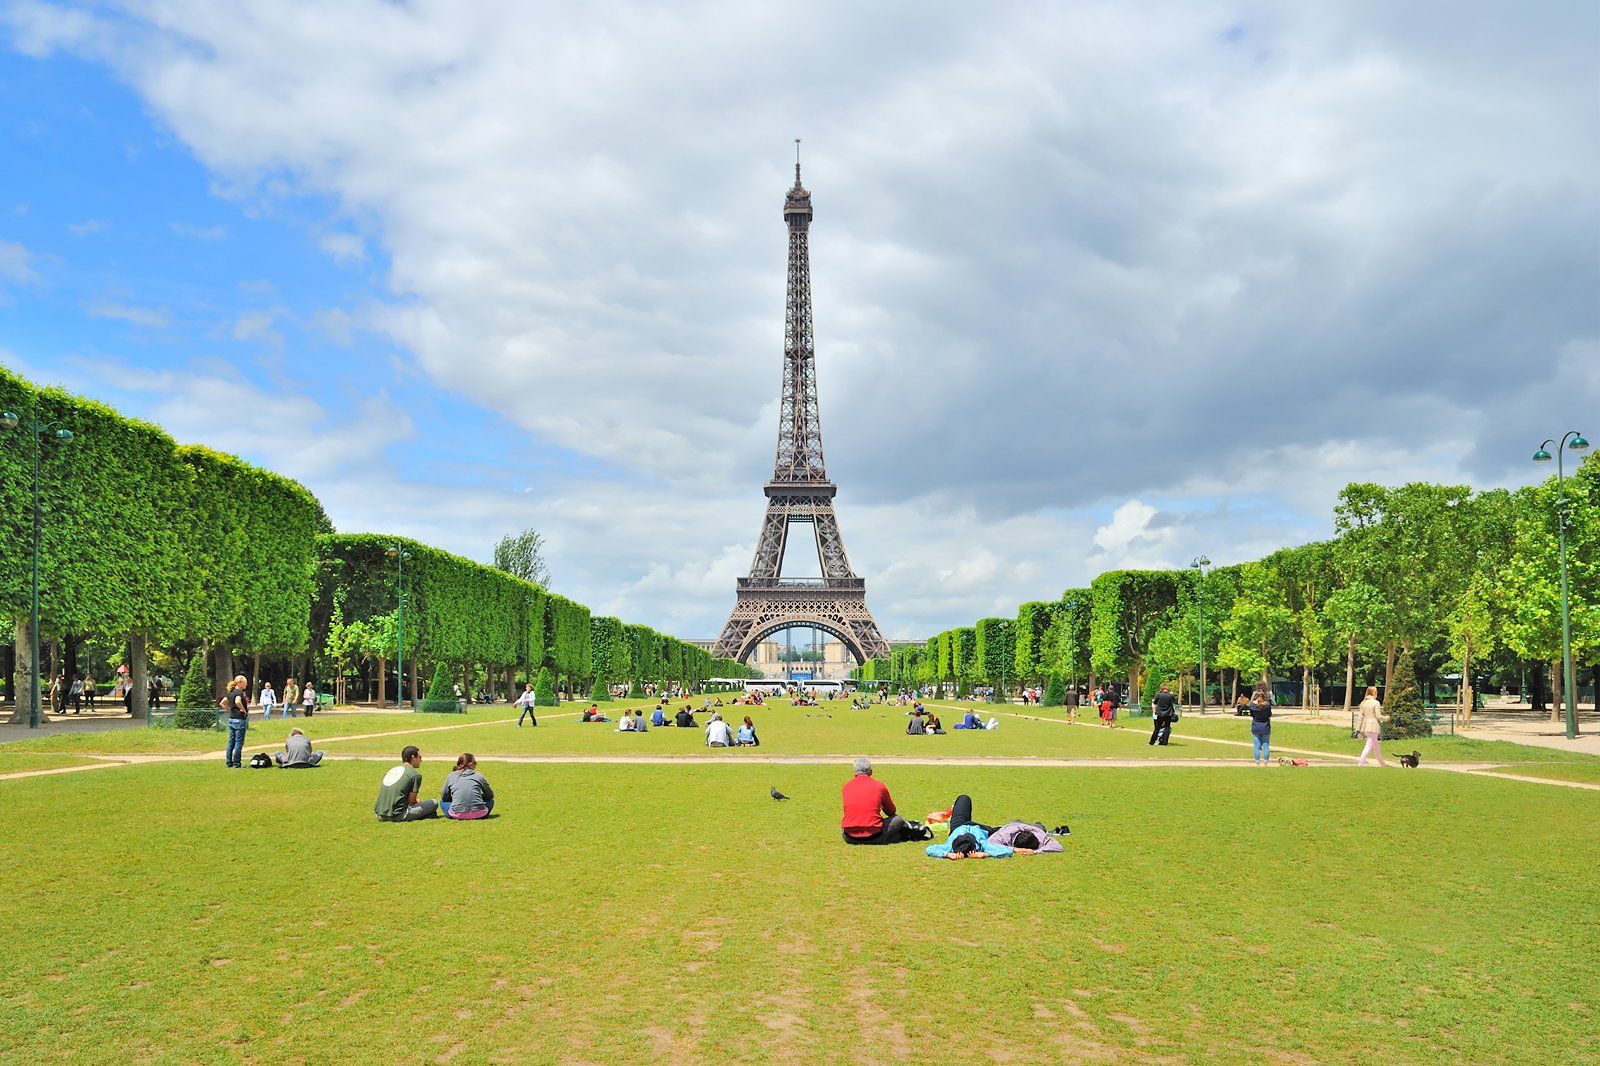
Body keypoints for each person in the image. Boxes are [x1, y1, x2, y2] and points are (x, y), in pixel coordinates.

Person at [841, 758, 926, 845]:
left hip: (849, 837)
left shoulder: (846, 787)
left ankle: (890, 837)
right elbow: (891, 812)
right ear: (871, 772)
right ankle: (892, 837)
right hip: (874, 834)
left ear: (854, 772)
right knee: (898, 819)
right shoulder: (879, 786)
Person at [374, 745, 438, 821]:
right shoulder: (415, 775)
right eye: (419, 757)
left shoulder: (391, 770)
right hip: (397, 815)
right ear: (413, 757)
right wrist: (417, 801)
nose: (421, 760)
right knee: (434, 803)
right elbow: (412, 801)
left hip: (379, 814)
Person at [439, 753, 494, 820]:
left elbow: (444, 797)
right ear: (470, 764)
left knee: (442, 802)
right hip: (480, 814)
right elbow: (490, 795)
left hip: (457, 814)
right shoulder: (478, 776)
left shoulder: (451, 776)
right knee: (490, 801)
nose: (476, 764)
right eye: (475, 763)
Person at [220, 674, 250, 768]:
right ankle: (237, 763)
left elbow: (222, 703)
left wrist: (230, 711)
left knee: (231, 742)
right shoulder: (239, 693)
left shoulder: (230, 693)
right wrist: (243, 710)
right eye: (245, 682)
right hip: (239, 720)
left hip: (232, 719)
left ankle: (229, 762)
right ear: (240, 682)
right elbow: (237, 701)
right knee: (238, 743)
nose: (246, 685)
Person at [1356, 686, 1387, 767]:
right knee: (1370, 745)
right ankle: (1361, 762)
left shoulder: (1363, 703)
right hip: (1373, 725)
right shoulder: (1376, 702)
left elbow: (1360, 717)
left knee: (1375, 746)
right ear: (1372, 693)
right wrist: (1385, 718)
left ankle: (1382, 763)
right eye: (1376, 692)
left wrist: (1358, 728)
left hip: (1366, 726)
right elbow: (1378, 716)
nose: (1377, 693)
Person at [1248, 689, 1273, 765]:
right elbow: (1269, 714)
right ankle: (1265, 762)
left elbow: (1251, 710)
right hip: (1265, 727)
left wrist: (1254, 701)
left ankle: (1257, 762)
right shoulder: (1267, 706)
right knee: (1266, 745)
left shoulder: (1253, 706)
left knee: (1256, 746)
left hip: (1256, 727)